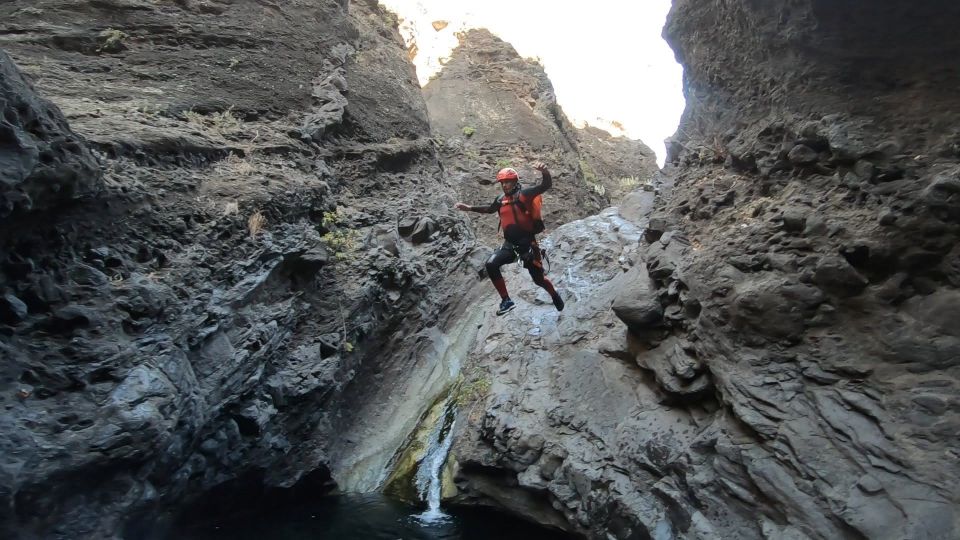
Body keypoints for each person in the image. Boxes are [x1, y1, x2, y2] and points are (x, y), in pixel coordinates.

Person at [455, 162, 565, 315]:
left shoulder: (525, 194)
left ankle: (554, 294)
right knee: (491, 264)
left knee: (539, 280)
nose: (505, 185)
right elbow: (489, 209)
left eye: (508, 182)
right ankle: (506, 300)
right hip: (510, 245)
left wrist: (545, 172)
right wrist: (469, 208)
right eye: (503, 182)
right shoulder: (500, 199)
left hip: (527, 246)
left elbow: (545, 185)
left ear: (515, 182)